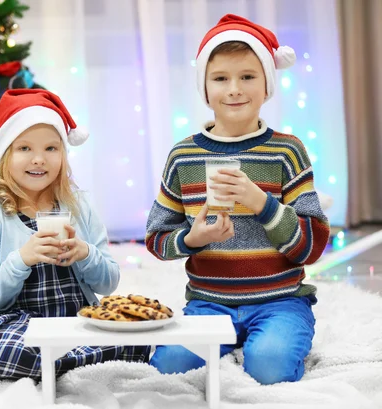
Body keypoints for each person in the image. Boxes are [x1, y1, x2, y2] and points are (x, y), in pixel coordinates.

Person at [0, 89, 149, 382]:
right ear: (5, 156)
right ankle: (62, 361)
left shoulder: (80, 207)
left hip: (76, 318)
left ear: (63, 154)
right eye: (24, 149)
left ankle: (55, 361)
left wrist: (85, 253)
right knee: (13, 347)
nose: (39, 160)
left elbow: (108, 283)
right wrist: (20, 260)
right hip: (16, 322)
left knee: (137, 336)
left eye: (51, 148)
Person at [145, 14, 330, 385]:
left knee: (270, 367)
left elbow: (311, 245)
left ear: (266, 86)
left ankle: (277, 340)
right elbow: (156, 238)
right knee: (168, 367)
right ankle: (231, 340)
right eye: (220, 78)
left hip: (280, 300)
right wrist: (191, 239)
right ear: (205, 88)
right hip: (208, 303)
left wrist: (262, 203)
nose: (234, 89)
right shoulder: (184, 156)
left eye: (247, 76)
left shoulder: (287, 152)